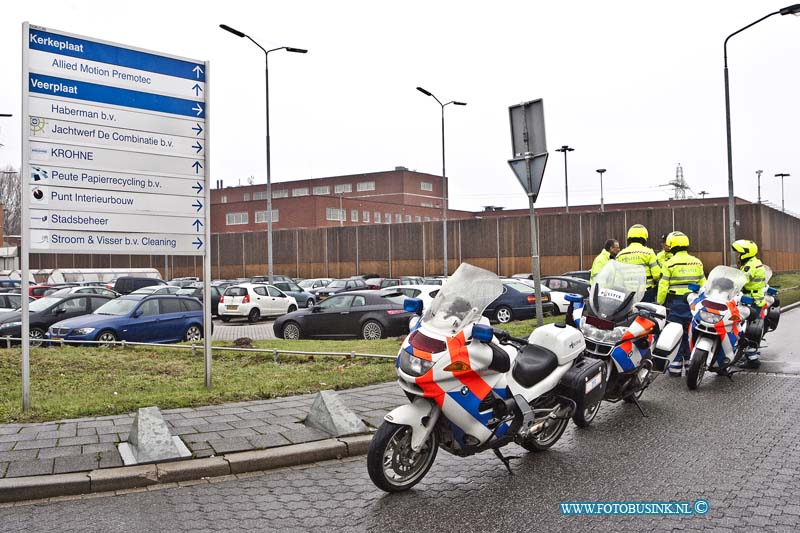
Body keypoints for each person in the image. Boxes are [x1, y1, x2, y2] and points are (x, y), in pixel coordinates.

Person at [657, 231, 706, 376]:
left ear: (672, 245)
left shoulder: (669, 263)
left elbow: (663, 286)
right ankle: (690, 362)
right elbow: (704, 284)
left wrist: (660, 303)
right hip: (693, 303)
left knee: (676, 334)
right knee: (690, 333)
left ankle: (675, 367)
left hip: (675, 303)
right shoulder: (697, 262)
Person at [731, 239, 767, 369]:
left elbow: (740, 281)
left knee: (744, 328)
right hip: (756, 299)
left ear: (746, 253)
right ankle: (749, 353)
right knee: (750, 328)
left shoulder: (749, 266)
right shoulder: (756, 262)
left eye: (739, 253)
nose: (738, 255)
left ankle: (752, 359)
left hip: (751, 301)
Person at [615, 224, 661, 302]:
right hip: (646, 292)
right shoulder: (649, 253)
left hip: (628, 293)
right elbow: (656, 275)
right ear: (644, 239)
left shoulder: (620, 254)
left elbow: (617, 279)